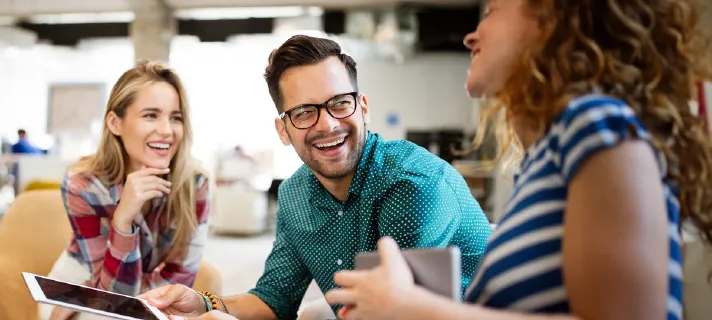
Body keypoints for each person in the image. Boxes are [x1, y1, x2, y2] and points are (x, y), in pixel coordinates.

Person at [323, 0, 712, 319]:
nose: (471, 35)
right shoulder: (544, 161)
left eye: (492, 11)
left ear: (554, 18)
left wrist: (412, 306)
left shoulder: (596, 123)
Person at [137, 35, 493, 320]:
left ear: (363, 107)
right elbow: (274, 300)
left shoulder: (412, 184)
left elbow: (396, 313)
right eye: (305, 111)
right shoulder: (295, 194)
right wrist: (203, 303)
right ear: (282, 129)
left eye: (339, 103)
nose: (328, 125)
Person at [41, 61, 212, 320]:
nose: (167, 130)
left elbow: (181, 272)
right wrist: (123, 220)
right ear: (115, 123)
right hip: (82, 279)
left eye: (175, 118)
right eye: (151, 115)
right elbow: (111, 292)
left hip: (144, 291)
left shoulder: (195, 182)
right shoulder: (83, 185)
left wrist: (127, 302)